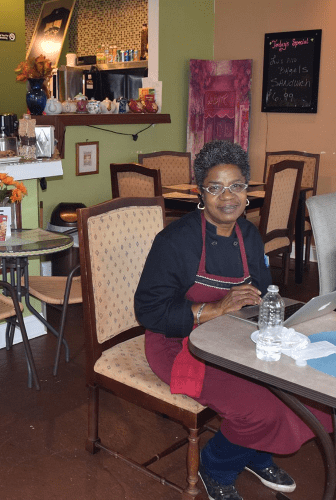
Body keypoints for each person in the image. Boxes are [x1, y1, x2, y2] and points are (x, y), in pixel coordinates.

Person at [134, 140, 333, 500]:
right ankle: (216, 466)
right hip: (180, 344)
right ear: (201, 192)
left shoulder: (248, 234)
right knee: (258, 410)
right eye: (215, 187)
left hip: (235, 335)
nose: (227, 197)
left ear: (247, 190)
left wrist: (268, 313)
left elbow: (260, 288)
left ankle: (253, 453)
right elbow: (148, 311)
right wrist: (213, 309)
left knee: (312, 398)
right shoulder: (175, 242)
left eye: (236, 185)